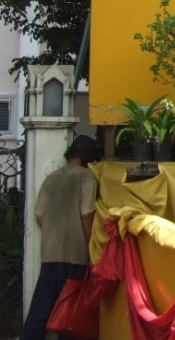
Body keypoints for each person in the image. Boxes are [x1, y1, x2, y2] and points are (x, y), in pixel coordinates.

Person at [20, 135, 99, 340]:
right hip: (75, 254)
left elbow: (39, 217)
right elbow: (87, 215)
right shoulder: (86, 177)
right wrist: (92, 248)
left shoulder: (52, 178)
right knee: (70, 311)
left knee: (40, 309)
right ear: (88, 158)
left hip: (50, 254)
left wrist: (56, 232)